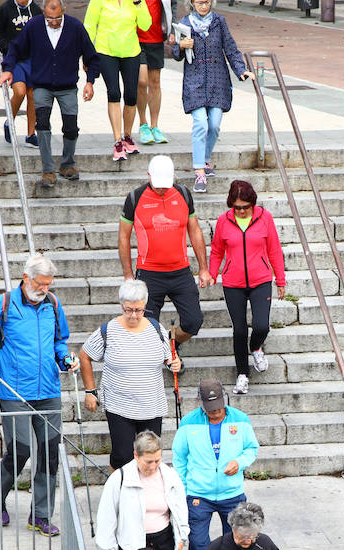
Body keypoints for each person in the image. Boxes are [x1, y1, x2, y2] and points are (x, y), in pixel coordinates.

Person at [0, 253, 74, 536]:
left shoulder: (53, 305)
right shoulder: (3, 304)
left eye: (48, 284)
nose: (44, 289)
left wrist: (66, 359)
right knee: (21, 450)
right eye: (40, 283)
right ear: (26, 278)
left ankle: (41, 515)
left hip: (49, 389)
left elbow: (60, 341)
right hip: (13, 390)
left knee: (49, 453)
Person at [77, 278, 181, 470]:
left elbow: (169, 358)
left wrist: (174, 363)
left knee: (149, 455)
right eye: (128, 310)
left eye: (139, 310)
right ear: (121, 305)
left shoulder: (156, 329)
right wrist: (90, 391)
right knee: (122, 456)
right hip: (119, 405)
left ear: (145, 305)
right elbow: (85, 356)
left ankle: (146, 494)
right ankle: (119, 494)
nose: (133, 315)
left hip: (151, 405)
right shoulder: (108, 330)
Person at [0, 0, 98, 190]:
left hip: (67, 85)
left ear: (64, 11)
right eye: (50, 18)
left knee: (71, 126)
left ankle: (67, 164)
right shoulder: (34, 25)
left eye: (58, 18)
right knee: (42, 124)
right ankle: (48, 169)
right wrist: (8, 69)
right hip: (42, 84)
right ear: (43, 12)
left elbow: (91, 56)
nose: (54, 22)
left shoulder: (75, 27)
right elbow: (15, 48)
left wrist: (90, 81)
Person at [171, 378, 258, 550]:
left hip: (232, 493)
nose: (215, 413)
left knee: (237, 543)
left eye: (218, 408)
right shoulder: (188, 423)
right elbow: (179, 458)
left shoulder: (241, 419)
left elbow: (251, 449)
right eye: (210, 409)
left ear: (225, 399)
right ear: (200, 403)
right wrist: (186, 488)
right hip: (199, 496)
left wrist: (239, 462)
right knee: (199, 546)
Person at [120, 154, 211, 347]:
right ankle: (161, 356)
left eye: (165, 184)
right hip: (149, 274)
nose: (162, 188)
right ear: (148, 175)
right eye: (158, 183)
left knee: (194, 321)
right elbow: (123, 237)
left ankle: (171, 345)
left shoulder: (183, 194)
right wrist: (128, 275)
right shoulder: (135, 198)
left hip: (181, 272)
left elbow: (194, 230)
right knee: (147, 327)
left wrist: (204, 268)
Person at [209, 179, 285, 395]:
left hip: (260, 280)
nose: (241, 212)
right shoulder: (224, 221)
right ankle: (242, 374)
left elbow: (275, 250)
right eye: (236, 208)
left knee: (262, 326)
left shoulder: (265, 218)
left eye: (245, 207)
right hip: (233, 283)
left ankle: (256, 347)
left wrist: (280, 280)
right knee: (240, 330)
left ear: (253, 203)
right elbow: (216, 251)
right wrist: (212, 273)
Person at [168, 0, 252, 193]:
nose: (203, 6)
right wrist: (180, 45)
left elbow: (230, 48)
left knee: (214, 124)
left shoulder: (219, 22)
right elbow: (175, 54)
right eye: (199, 2)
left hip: (217, 80)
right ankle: (200, 172)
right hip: (194, 81)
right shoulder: (185, 23)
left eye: (207, 2)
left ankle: (205, 159)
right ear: (192, 3)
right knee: (200, 124)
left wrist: (241, 70)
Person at [95, 430, 187, 550]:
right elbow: (107, 515)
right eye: (148, 462)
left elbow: (180, 508)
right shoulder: (119, 478)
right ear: (136, 455)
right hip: (132, 543)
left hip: (163, 541)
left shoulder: (170, 475)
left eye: (157, 461)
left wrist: (182, 536)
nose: (153, 466)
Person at [82, 0, 149, 160]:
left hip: (131, 52)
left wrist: (139, 4)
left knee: (131, 96)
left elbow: (146, 25)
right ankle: (117, 140)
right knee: (114, 92)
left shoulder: (137, 1)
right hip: (105, 51)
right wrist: (87, 53)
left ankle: (127, 136)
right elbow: (89, 26)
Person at [0, 0, 38, 148]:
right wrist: (7, 48)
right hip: (14, 59)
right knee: (20, 91)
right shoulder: (6, 8)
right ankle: (9, 122)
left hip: (32, 59)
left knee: (33, 95)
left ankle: (31, 134)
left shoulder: (35, 10)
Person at [133, 0, 171, 146]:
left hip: (156, 37)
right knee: (141, 81)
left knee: (155, 82)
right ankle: (143, 124)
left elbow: (171, 4)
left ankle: (154, 126)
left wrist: (171, 30)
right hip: (136, 37)